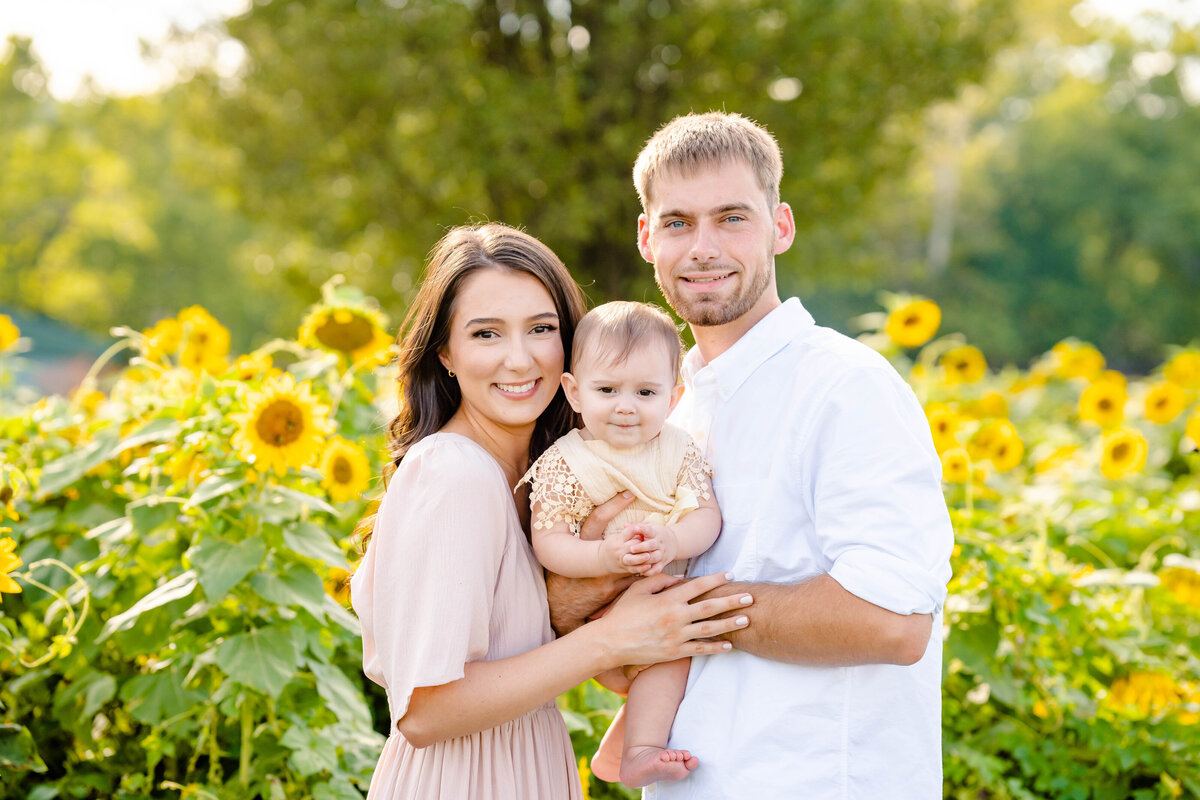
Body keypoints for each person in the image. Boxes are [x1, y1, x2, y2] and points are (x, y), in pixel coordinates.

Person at [548, 113, 954, 798]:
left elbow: (893, 622)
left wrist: (684, 612)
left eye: (731, 218)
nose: (703, 247)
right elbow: (612, 630)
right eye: (678, 223)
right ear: (647, 239)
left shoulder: (844, 386)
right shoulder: (665, 410)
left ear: (781, 227)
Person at [348, 222, 754, 800]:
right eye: (486, 334)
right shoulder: (453, 473)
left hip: (530, 768)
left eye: (541, 329)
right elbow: (424, 712)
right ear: (445, 354)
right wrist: (611, 640)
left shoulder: (555, 479)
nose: (519, 359)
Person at [521, 301, 722, 787]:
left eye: (645, 391)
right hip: (599, 606)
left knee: (671, 661)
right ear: (573, 392)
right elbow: (547, 541)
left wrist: (673, 539)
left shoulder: (678, 449)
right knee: (660, 658)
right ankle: (630, 746)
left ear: (673, 398)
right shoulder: (565, 461)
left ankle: (634, 751)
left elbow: (707, 515)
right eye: (607, 390)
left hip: (661, 597)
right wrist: (601, 557)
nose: (626, 405)